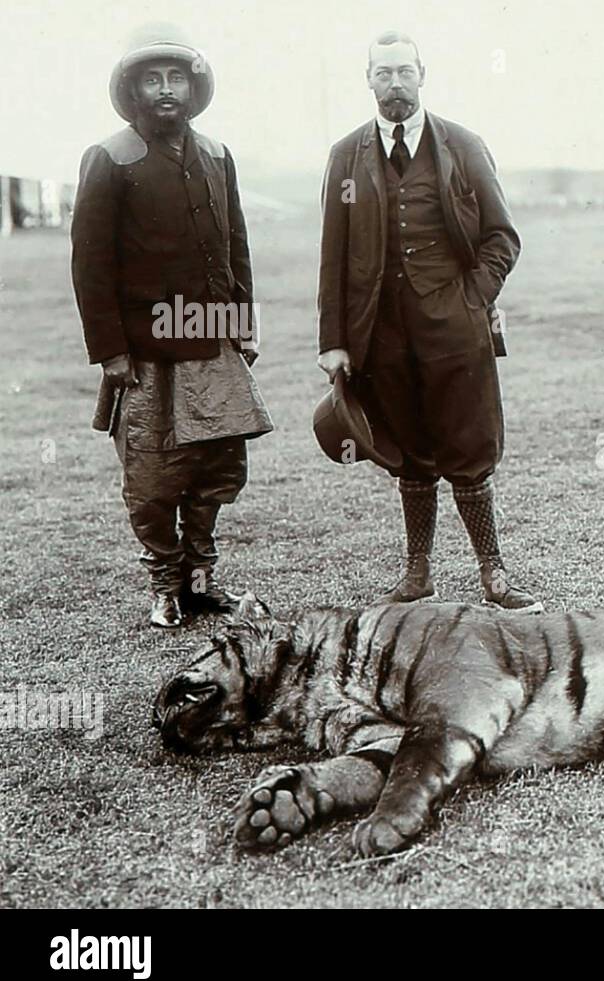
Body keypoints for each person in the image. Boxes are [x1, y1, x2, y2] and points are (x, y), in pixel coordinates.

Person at [316, 30, 541, 612]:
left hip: (456, 331)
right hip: (381, 335)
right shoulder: (346, 156)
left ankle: (493, 572)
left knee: (468, 447)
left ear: (423, 74)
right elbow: (333, 257)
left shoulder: (463, 146)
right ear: (368, 79)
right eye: (383, 72)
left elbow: (502, 236)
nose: (395, 83)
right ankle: (418, 575)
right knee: (410, 452)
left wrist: (472, 297)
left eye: (404, 71)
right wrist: (334, 341)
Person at [71, 25, 273, 628]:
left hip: (214, 340)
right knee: (154, 477)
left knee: (218, 468)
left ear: (193, 86)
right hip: (145, 353)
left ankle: (203, 580)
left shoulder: (216, 155)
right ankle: (165, 585)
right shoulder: (109, 159)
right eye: (153, 79)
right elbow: (90, 264)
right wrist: (110, 351)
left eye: (175, 78)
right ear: (134, 89)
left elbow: (236, 247)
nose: (165, 90)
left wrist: (241, 325)